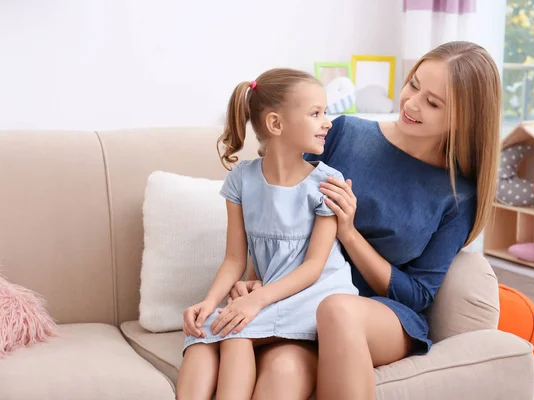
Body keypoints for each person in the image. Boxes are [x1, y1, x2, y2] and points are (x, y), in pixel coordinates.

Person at [226, 41, 502, 400]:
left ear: (465, 118)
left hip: (380, 315)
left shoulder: (458, 194)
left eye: (433, 103)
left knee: (338, 309)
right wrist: (255, 277)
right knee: (282, 370)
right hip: (299, 301)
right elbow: (275, 205)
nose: (412, 103)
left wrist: (349, 233)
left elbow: (418, 294)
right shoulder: (345, 133)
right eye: (413, 84)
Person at [176, 68, 359, 400]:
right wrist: (209, 301)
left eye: (325, 112)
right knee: (204, 330)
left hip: (313, 296)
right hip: (268, 295)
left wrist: (253, 301)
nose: (328, 121)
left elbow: (313, 268)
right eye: (316, 113)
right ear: (276, 124)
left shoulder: (327, 183)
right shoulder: (241, 180)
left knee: (233, 331)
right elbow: (234, 258)